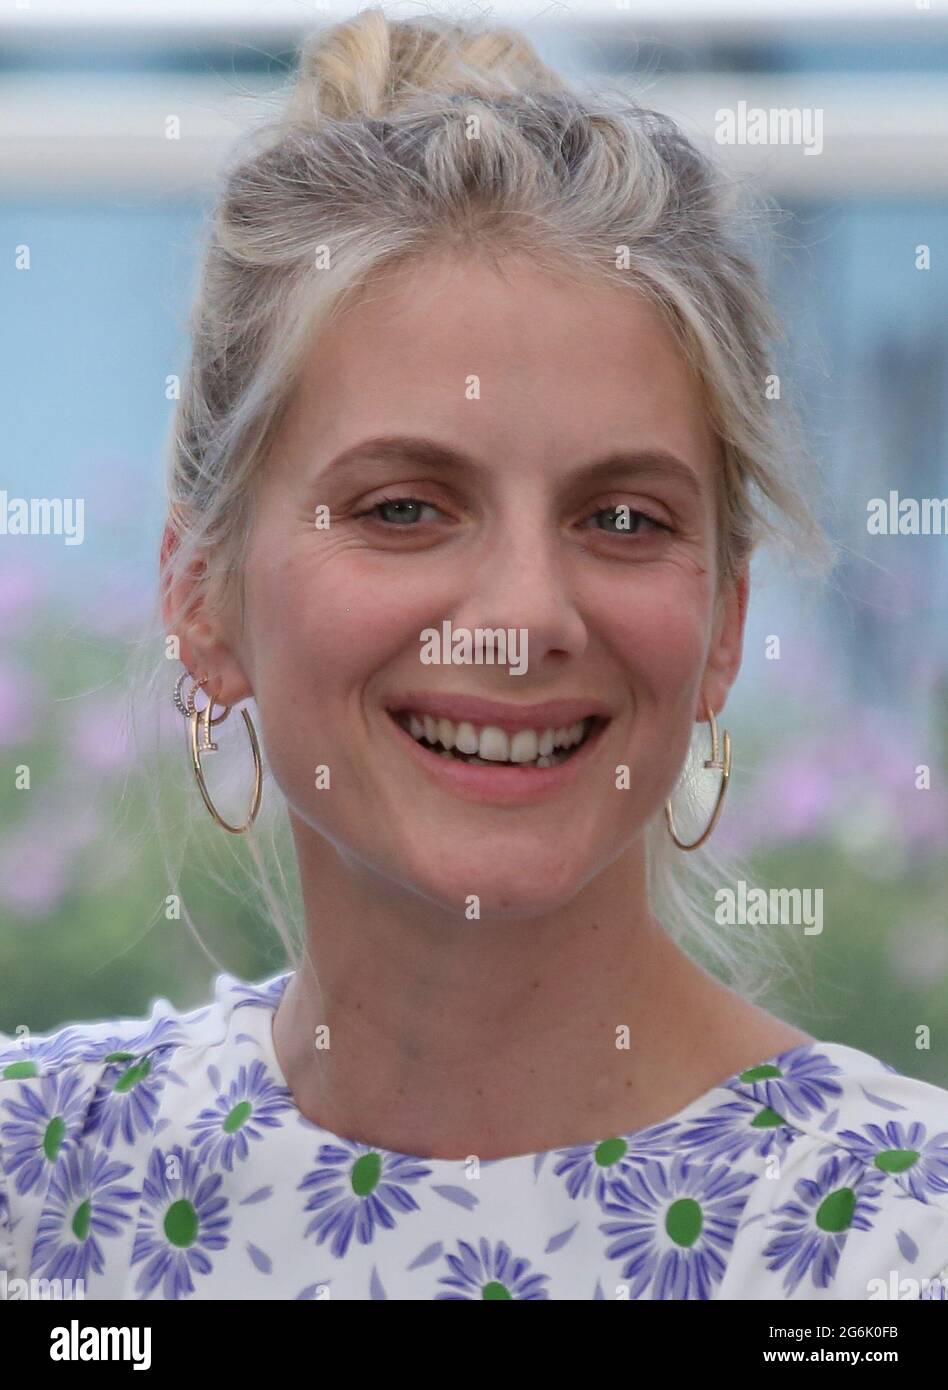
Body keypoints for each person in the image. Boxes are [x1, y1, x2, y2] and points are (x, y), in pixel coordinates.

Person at [2, 7, 946, 1302]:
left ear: (724, 621)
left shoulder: (895, 1240)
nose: (524, 613)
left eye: (623, 518)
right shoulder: (41, 1186)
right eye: (405, 508)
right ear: (202, 594)